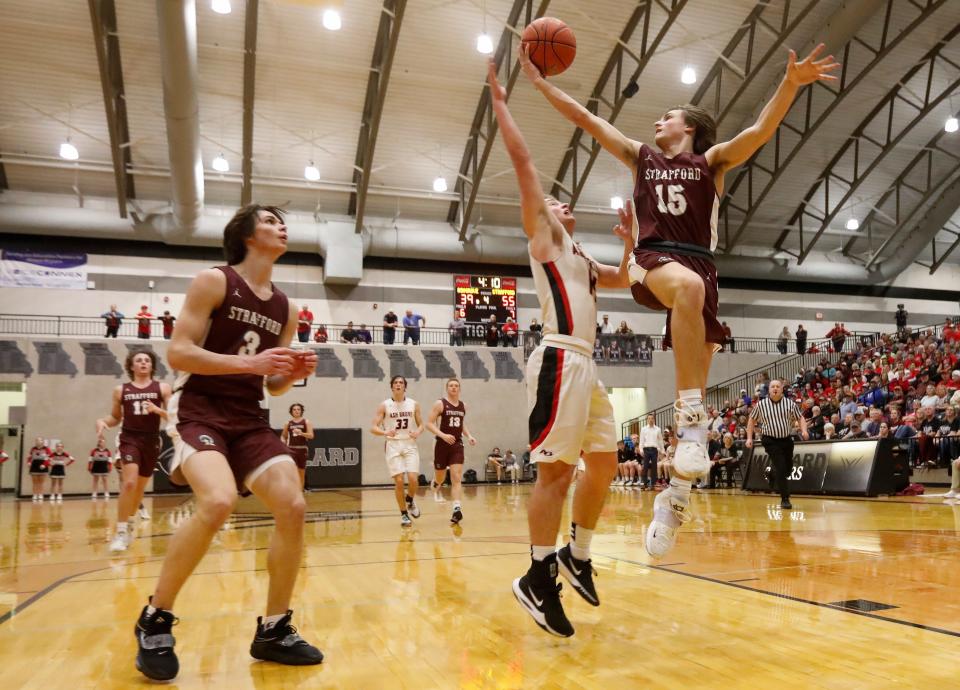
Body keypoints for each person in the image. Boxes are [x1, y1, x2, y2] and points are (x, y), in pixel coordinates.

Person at [520, 38, 837, 558]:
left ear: (687, 127)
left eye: (665, 117)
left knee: (699, 364)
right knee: (684, 294)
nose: (656, 124)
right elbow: (586, 120)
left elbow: (759, 131)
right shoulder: (641, 158)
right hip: (653, 261)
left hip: (701, 266)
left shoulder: (710, 162)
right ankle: (692, 418)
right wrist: (540, 83)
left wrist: (790, 84)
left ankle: (675, 498)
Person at [130, 205, 323, 681]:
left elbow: (273, 385)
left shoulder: (286, 307)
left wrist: (288, 374)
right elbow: (178, 353)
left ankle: (274, 629)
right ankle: (155, 618)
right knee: (217, 502)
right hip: (201, 409)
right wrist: (252, 367)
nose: (282, 225)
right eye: (271, 219)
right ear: (246, 234)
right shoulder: (213, 281)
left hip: (249, 417)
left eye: (284, 221)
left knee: (292, 505)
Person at [489, 59, 633, 637]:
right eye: (554, 199)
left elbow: (625, 280)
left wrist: (630, 243)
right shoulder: (545, 240)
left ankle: (579, 553)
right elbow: (524, 164)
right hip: (557, 358)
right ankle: (537, 572)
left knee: (605, 462)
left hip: (587, 366)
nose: (561, 202)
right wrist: (502, 103)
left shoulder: (582, 259)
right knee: (556, 475)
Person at [96, 349, 171, 553]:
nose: (144, 363)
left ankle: (129, 522)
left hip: (152, 440)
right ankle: (120, 532)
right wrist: (103, 421)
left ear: (152, 366)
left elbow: (174, 416)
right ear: (132, 366)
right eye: (139, 360)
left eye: (147, 360)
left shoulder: (162, 388)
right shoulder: (121, 390)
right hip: (129, 438)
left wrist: (157, 410)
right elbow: (115, 417)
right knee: (129, 483)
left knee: (139, 489)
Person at [746, 379, 809, 510]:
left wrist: (804, 430)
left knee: (788, 468)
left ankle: (772, 474)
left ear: (782, 389)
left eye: (778, 387)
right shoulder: (761, 405)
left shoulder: (789, 404)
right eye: (772, 387)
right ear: (769, 390)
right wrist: (749, 438)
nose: (775, 389)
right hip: (770, 440)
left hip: (786, 439)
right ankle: (785, 499)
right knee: (781, 467)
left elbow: (800, 417)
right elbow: (751, 420)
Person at [371, 375, 424, 525]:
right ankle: (404, 514)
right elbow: (373, 427)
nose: (398, 385)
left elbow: (421, 424)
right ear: (392, 386)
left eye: (401, 383)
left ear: (405, 387)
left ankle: (410, 499)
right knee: (399, 481)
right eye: (395, 382)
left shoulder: (414, 404)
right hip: (393, 444)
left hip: (410, 443)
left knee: (413, 479)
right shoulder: (384, 405)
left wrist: (418, 432)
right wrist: (385, 432)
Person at [425, 378, 477, 524]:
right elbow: (429, 424)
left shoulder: (463, 406)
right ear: (447, 388)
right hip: (441, 444)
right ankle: (436, 482)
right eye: (451, 386)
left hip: (457, 445)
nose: (454, 388)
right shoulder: (440, 404)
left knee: (456, 476)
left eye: (456, 386)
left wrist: (469, 436)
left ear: (459, 389)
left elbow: (461, 424)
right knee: (441, 478)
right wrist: (443, 435)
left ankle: (457, 509)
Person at [281, 403, 313, 489]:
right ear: (291, 412)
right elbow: (283, 436)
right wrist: (283, 444)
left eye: (298, 409)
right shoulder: (288, 423)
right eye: (294, 409)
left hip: (302, 449)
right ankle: (291, 491)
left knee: (301, 472)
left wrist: (301, 433)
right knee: (291, 472)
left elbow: (311, 435)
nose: (296, 411)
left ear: (301, 411)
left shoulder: (306, 422)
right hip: (291, 449)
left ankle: (300, 492)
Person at [639, 414, 665, 490]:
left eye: (652, 418)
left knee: (654, 467)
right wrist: (640, 449)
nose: (650, 420)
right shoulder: (643, 429)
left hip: (654, 450)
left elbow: (660, 441)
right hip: (646, 449)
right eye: (649, 418)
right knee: (645, 466)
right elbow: (641, 440)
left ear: (654, 419)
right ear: (647, 420)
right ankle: (644, 483)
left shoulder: (658, 429)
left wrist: (662, 450)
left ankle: (653, 483)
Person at [27, 436, 51, 501]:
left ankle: (40, 494)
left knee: (41, 482)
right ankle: (35, 494)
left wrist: (44, 464)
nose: (38, 442)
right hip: (34, 465)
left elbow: (49, 458)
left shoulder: (46, 449)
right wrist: (29, 462)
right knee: (34, 482)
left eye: (40, 440)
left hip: (43, 465)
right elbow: (29, 457)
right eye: (37, 440)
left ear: (42, 442)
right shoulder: (33, 448)